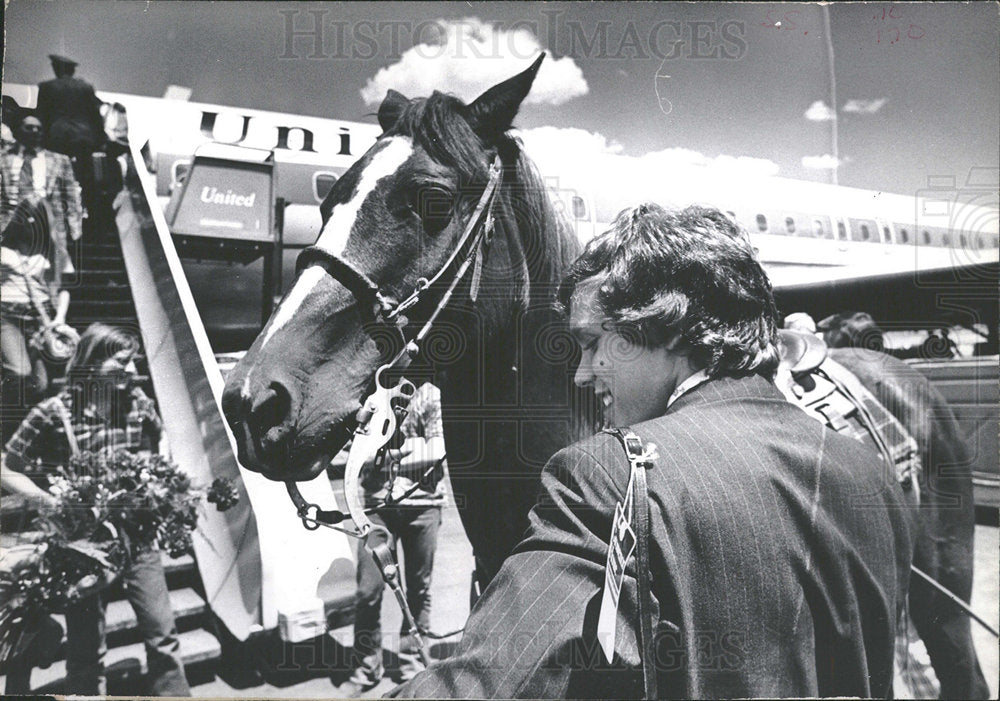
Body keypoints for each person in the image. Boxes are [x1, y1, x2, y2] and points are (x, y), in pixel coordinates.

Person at [389, 204, 913, 699]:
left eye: (594, 343)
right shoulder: (867, 467)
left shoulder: (606, 473)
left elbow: (485, 686)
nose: (581, 372)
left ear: (670, 328)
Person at [1, 323, 191, 696]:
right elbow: (7, 466)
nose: (134, 372)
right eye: (123, 362)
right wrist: (48, 500)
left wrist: (158, 468)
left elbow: (162, 434)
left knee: (162, 632)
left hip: (137, 536)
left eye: (134, 362)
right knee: (86, 644)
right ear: (92, 363)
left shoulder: (136, 401)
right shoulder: (54, 411)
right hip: (82, 545)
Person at [343, 381, 447, 694]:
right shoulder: (365, 395)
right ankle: (366, 667)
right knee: (368, 591)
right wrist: (412, 449)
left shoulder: (429, 393)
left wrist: (388, 456)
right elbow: (355, 448)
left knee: (419, 588)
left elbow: (438, 448)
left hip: (423, 505)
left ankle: (411, 664)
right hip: (376, 507)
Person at [0, 194, 76, 441]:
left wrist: (59, 319)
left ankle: (27, 435)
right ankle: (8, 430)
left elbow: (65, 288)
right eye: (26, 219)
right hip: (7, 316)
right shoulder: (3, 248)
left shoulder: (54, 252)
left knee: (40, 384)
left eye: (36, 220)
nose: (30, 224)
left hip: (40, 319)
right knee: (20, 372)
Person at [1, 114, 83, 276]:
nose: (35, 131)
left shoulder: (59, 160)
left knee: (52, 273)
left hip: (48, 222)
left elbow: (71, 196)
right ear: (18, 131)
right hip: (11, 222)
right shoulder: (4, 159)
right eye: (29, 127)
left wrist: (75, 227)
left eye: (39, 128)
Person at [35, 54, 106, 232]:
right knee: (85, 177)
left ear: (56, 69)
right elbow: (95, 116)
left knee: (55, 177)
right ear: (72, 70)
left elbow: (42, 115)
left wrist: (39, 142)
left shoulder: (47, 87)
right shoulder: (85, 87)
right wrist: (101, 139)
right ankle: (94, 217)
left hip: (57, 138)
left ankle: (53, 216)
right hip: (83, 138)